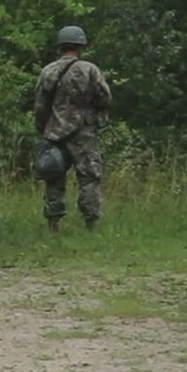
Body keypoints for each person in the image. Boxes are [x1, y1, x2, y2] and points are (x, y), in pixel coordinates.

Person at [32, 24, 112, 231]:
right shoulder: (89, 69)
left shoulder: (48, 71)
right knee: (89, 178)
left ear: (60, 45)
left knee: (53, 178)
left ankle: (53, 224)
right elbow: (105, 98)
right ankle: (90, 223)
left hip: (55, 133)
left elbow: (40, 106)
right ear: (81, 46)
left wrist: (44, 128)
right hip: (83, 133)